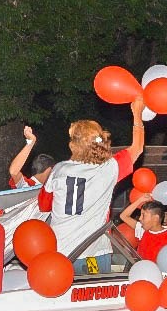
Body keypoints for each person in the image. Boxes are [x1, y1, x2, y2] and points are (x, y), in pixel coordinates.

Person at [41, 95, 146, 274]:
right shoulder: (109, 168)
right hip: (94, 254)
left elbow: (44, 206)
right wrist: (137, 113)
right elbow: (137, 149)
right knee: (96, 290)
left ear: (74, 145)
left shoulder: (58, 170)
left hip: (61, 256)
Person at [120, 194, 167, 262]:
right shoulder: (142, 230)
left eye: (143, 215)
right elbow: (123, 216)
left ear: (155, 218)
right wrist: (140, 200)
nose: (140, 218)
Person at [7, 126, 56, 191]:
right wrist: (31, 141)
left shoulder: (51, 189)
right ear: (49, 170)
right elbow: (13, 172)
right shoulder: (27, 186)